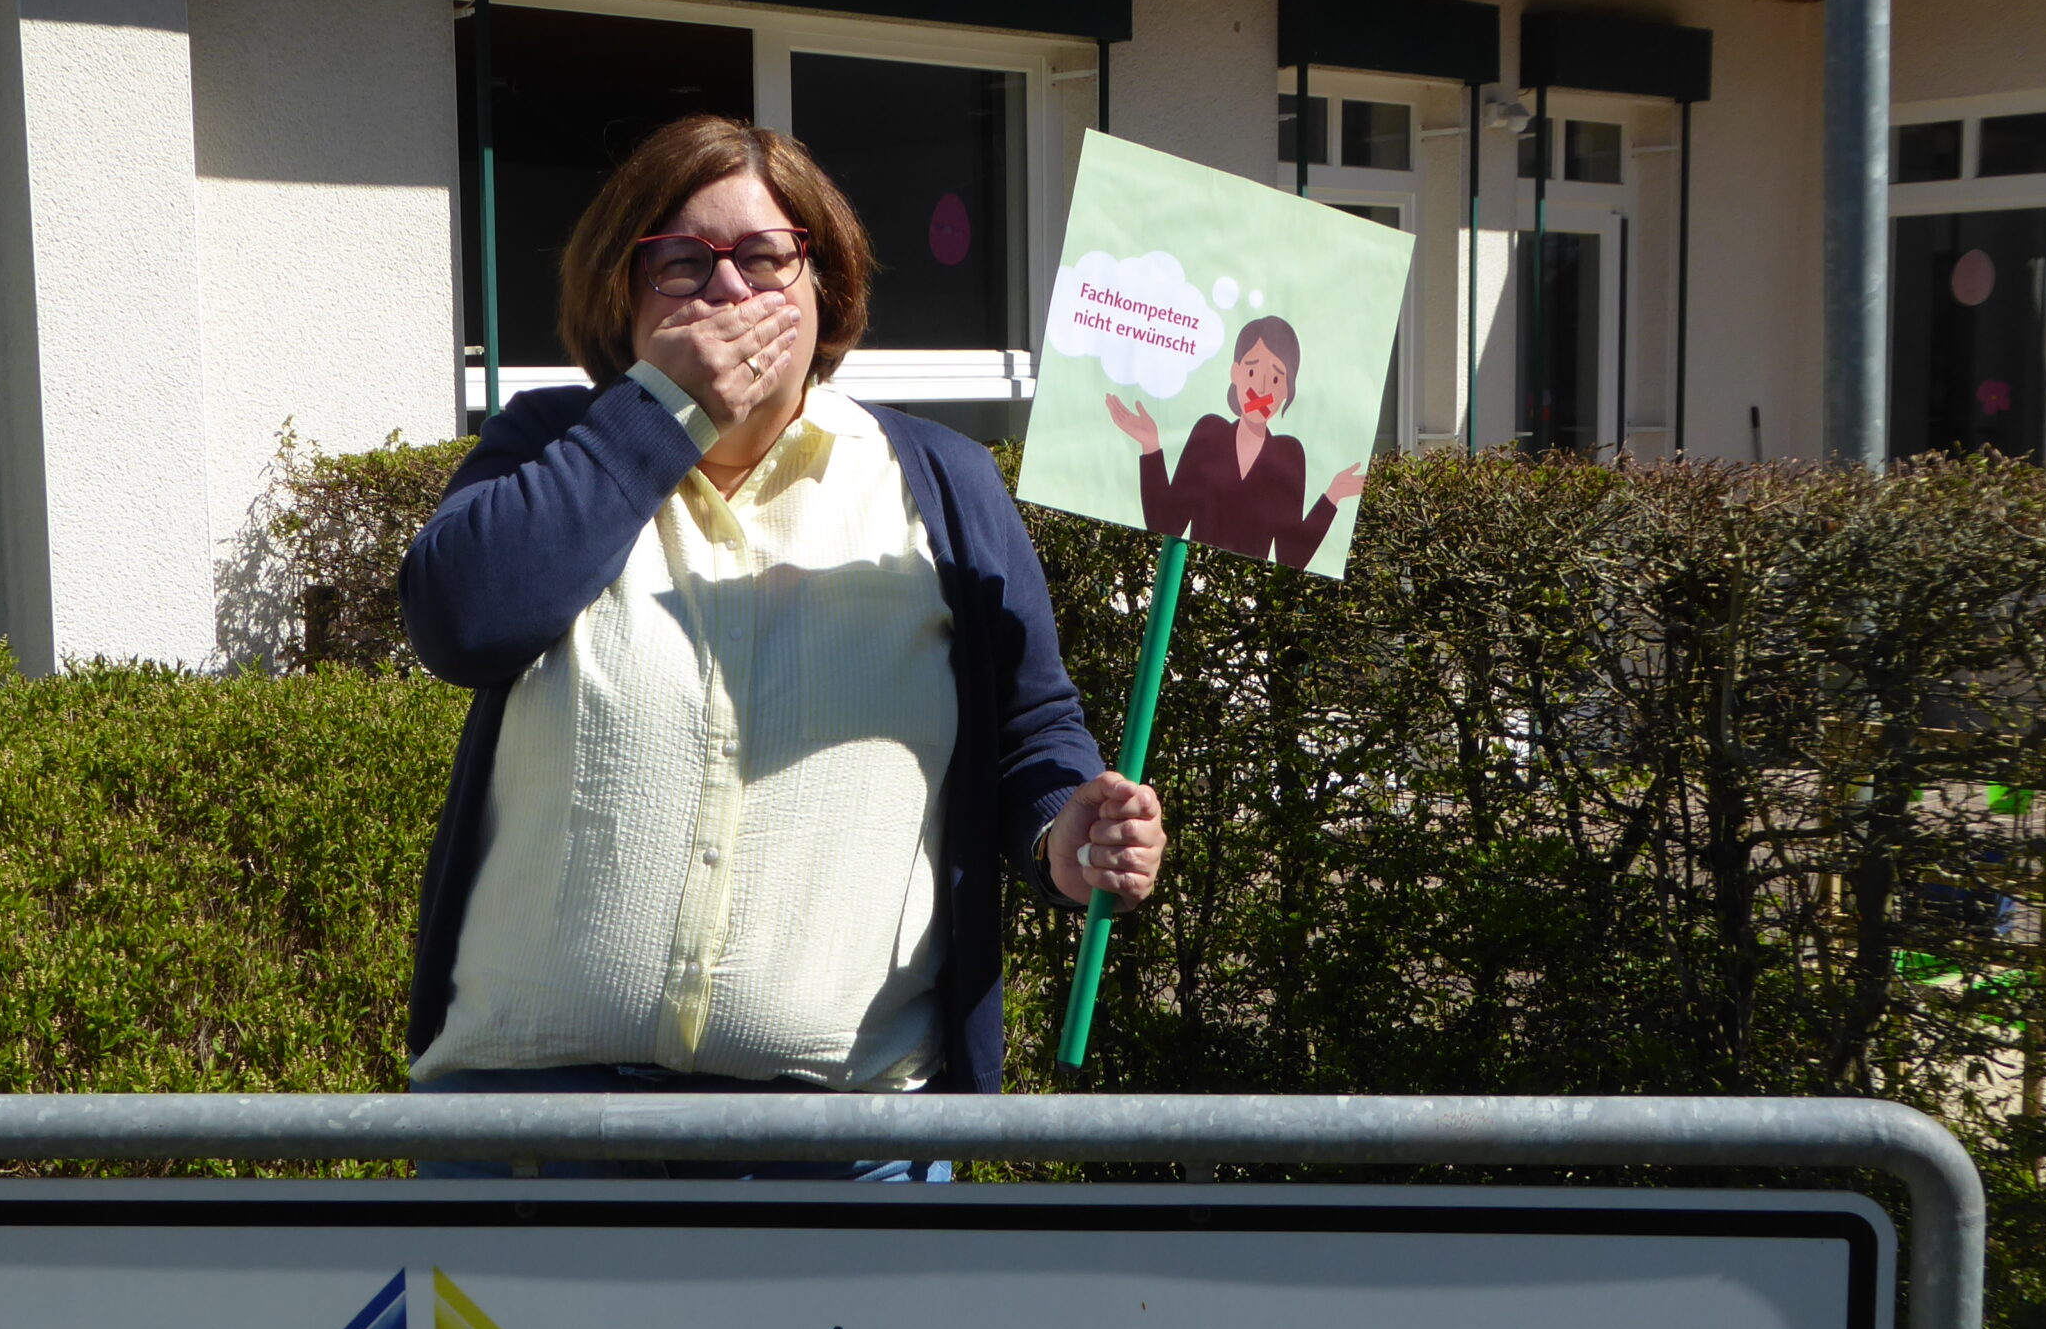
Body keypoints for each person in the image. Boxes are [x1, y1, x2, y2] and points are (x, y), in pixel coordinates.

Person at [398, 115, 1166, 1177]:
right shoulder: (550, 446)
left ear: (825, 288)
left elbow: (1031, 734)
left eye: (766, 258)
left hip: (848, 1153)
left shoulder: (939, 482)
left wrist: (1062, 832)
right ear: (622, 295)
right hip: (532, 1142)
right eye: (680, 262)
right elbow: (463, 621)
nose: (728, 290)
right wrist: (660, 411)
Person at [1105, 315, 1364, 568]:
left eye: (1276, 378)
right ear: (1235, 373)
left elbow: (1291, 558)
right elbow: (1165, 524)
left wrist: (1333, 496)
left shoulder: (1289, 454)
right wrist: (1150, 446)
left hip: (1246, 590)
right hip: (1193, 575)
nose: (1261, 388)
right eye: (1252, 371)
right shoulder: (1210, 433)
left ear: (1287, 389)